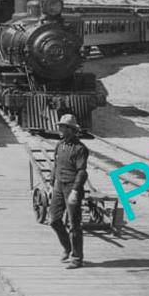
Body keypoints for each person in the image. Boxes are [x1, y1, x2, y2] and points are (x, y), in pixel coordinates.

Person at [50, 113, 89, 268]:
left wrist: (75, 191)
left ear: (71, 130)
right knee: (53, 220)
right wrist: (51, 183)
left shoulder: (80, 149)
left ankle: (77, 258)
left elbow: (82, 172)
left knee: (74, 224)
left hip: (72, 187)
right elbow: (56, 165)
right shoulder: (59, 145)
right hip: (59, 186)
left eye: (62, 127)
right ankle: (67, 247)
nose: (59, 129)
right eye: (59, 126)